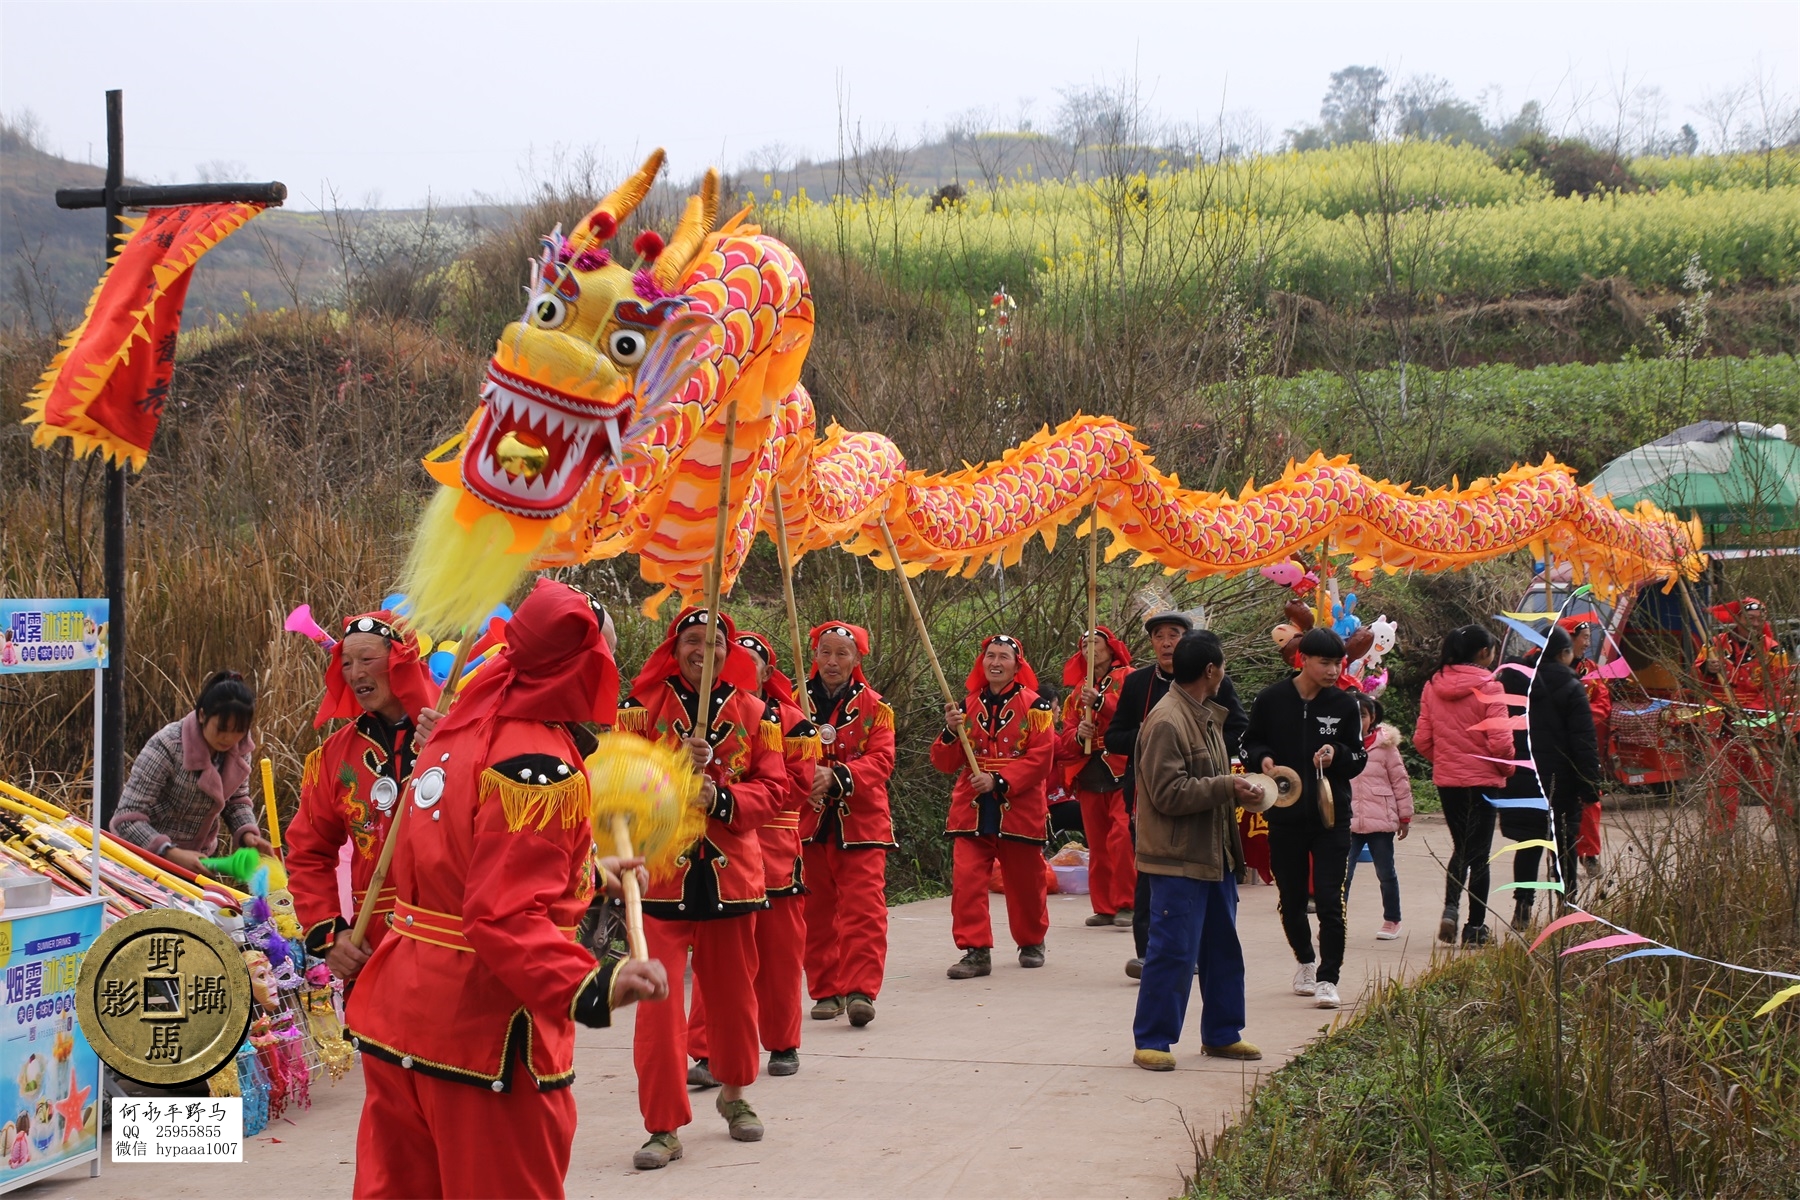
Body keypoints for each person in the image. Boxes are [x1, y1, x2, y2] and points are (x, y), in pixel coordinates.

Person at [344, 580, 668, 1199]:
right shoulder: (537, 766)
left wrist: (593, 878)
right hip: (483, 1030)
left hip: (401, 1014)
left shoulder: (456, 731)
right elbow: (501, 914)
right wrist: (593, 981)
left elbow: (457, 868)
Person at [616, 607, 787, 1170]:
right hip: (660, 880)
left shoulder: (758, 714)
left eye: (713, 642)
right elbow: (614, 785)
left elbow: (774, 790)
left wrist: (719, 798)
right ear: (675, 647)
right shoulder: (638, 713)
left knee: (735, 1000)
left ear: (727, 652)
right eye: (691, 640)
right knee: (657, 1010)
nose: (701, 650)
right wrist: (668, 773)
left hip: (732, 879)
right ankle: (662, 1126)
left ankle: (735, 1092)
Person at [687, 632, 818, 1081]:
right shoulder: (701, 713)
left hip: (775, 846)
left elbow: (798, 788)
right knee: (718, 958)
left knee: (780, 955)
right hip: (722, 851)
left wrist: (738, 797)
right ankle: (707, 1050)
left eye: (752, 662)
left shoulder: (791, 721)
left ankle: (782, 1042)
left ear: (766, 672)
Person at [1130, 633, 1264, 1071]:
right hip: (1176, 860)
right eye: (1222, 665)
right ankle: (1153, 1039)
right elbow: (1168, 793)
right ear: (1211, 671)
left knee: (1222, 952)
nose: (1224, 672)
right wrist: (1226, 786)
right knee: (1172, 951)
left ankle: (1223, 1034)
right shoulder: (1167, 720)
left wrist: (1234, 791)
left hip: (1214, 857)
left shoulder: (1204, 716)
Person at [287, 611, 442, 980]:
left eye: (367, 660)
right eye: (346, 663)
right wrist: (331, 935)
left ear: (401, 661)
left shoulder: (460, 731)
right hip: (373, 948)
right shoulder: (333, 757)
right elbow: (307, 852)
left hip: (450, 942)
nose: (355, 673)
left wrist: (457, 748)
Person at [1107, 612, 1248, 979]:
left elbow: (1237, 730)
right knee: (1151, 875)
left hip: (1204, 799)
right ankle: (1148, 954)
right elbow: (1113, 738)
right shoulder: (1140, 686)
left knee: (1200, 883)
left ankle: (1192, 952)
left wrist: (1203, 753)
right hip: (1147, 796)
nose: (1167, 642)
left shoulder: (1217, 684)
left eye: (1175, 635)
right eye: (1159, 636)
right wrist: (1151, 736)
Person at [1241, 626, 1367, 1010]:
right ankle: (1306, 962)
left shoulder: (1345, 705)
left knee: (1330, 900)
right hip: (1283, 815)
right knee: (1291, 899)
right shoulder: (1271, 699)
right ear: (1304, 660)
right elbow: (1248, 741)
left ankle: (1329, 977)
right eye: (1325, 662)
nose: (1333, 670)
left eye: (1338, 663)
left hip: (1331, 818)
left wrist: (1337, 755)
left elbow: (1358, 757)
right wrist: (1260, 758)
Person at [932, 634, 1057, 978]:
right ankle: (975, 950)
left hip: (1019, 803)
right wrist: (949, 731)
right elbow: (945, 762)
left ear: (1018, 665)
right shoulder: (965, 705)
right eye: (990, 655)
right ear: (982, 661)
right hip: (971, 803)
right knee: (967, 878)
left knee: (1026, 880)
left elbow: (1041, 759)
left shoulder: (1036, 708)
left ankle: (1032, 940)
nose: (996, 662)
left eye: (1003, 656)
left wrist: (1000, 781)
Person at [799, 621, 897, 1028]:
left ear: (857, 659)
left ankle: (861, 990)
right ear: (815, 656)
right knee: (815, 911)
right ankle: (825, 990)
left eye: (842, 653)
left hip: (862, 822)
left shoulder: (876, 707)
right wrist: (804, 779)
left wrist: (837, 777)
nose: (832, 661)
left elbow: (881, 760)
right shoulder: (792, 702)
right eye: (826, 652)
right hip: (809, 821)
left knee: (864, 910)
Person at [112, 671, 274, 870]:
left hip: (199, 861)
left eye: (238, 731)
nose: (229, 738)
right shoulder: (168, 745)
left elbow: (236, 801)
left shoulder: (239, 749)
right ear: (202, 715)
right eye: (221, 729)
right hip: (142, 860)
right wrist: (170, 852)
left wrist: (248, 835)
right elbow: (127, 817)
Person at [1414, 624, 1514, 947]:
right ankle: (1474, 929)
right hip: (1483, 781)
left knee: (1462, 847)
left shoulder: (1432, 686)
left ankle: (1450, 907)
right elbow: (1500, 743)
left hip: (1449, 782)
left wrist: (1444, 759)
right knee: (1480, 855)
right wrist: (1507, 768)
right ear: (1483, 653)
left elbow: (1422, 739)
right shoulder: (1491, 687)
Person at [1053, 625, 1135, 928]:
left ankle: (1128, 903)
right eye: (1084, 644)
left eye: (1095, 642)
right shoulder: (1077, 692)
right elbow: (1066, 734)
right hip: (1090, 771)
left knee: (1122, 838)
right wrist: (1078, 735)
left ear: (1111, 647)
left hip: (1122, 767)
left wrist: (1100, 703)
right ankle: (1104, 906)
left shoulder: (1128, 677)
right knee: (1097, 843)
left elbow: (1135, 714)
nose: (1089, 648)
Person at [1518, 626, 1603, 906]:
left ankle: (1523, 906)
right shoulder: (1572, 685)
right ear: (1564, 653)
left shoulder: (1517, 681)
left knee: (1529, 844)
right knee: (1564, 844)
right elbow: (1583, 740)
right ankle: (1567, 904)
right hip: (1562, 778)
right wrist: (1590, 784)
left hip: (1526, 775)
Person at [1696, 596, 1792, 829]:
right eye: (1750, 618)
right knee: (1722, 785)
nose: (1756, 623)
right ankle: (1721, 836)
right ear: (1737, 618)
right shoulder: (1714, 645)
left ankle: (1789, 828)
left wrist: (1750, 714)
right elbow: (1696, 680)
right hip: (1721, 726)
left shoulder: (1774, 651)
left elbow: (1778, 689)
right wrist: (1707, 669)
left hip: (1758, 729)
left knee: (1770, 782)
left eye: (1760, 619)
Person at [1344, 693, 1412, 941]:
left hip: (1380, 822)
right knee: (1342, 873)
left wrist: (1404, 817)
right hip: (1348, 821)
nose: (1357, 720)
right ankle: (1335, 921)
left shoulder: (1386, 748)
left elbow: (1400, 782)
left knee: (1386, 872)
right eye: (1353, 715)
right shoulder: (1340, 746)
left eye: (1362, 715)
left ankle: (1392, 919)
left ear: (1372, 718)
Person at [1560, 616, 1613, 880]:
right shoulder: (1544, 667)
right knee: (1556, 803)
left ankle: (1590, 855)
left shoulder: (1591, 669)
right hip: (1555, 747)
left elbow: (1603, 704)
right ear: (1569, 637)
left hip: (1583, 745)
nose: (1587, 643)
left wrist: (1578, 718)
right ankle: (1558, 857)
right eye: (1584, 637)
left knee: (1590, 800)